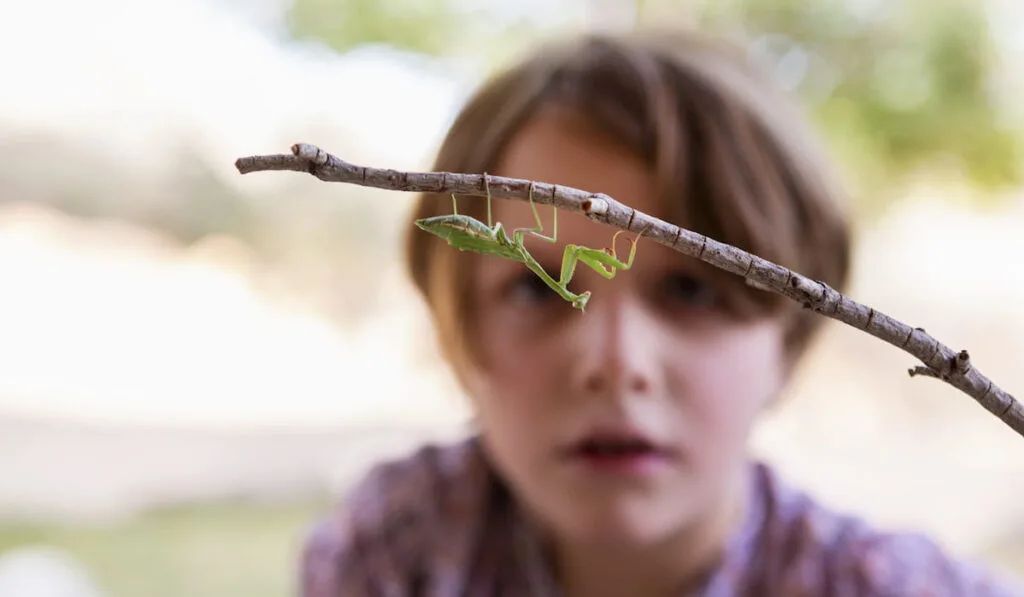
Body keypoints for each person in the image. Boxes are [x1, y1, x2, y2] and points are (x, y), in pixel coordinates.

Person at [299, 27, 1023, 596]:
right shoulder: (402, 553)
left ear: (791, 338)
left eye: (694, 289)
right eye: (532, 285)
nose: (615, 361)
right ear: (457, 329)